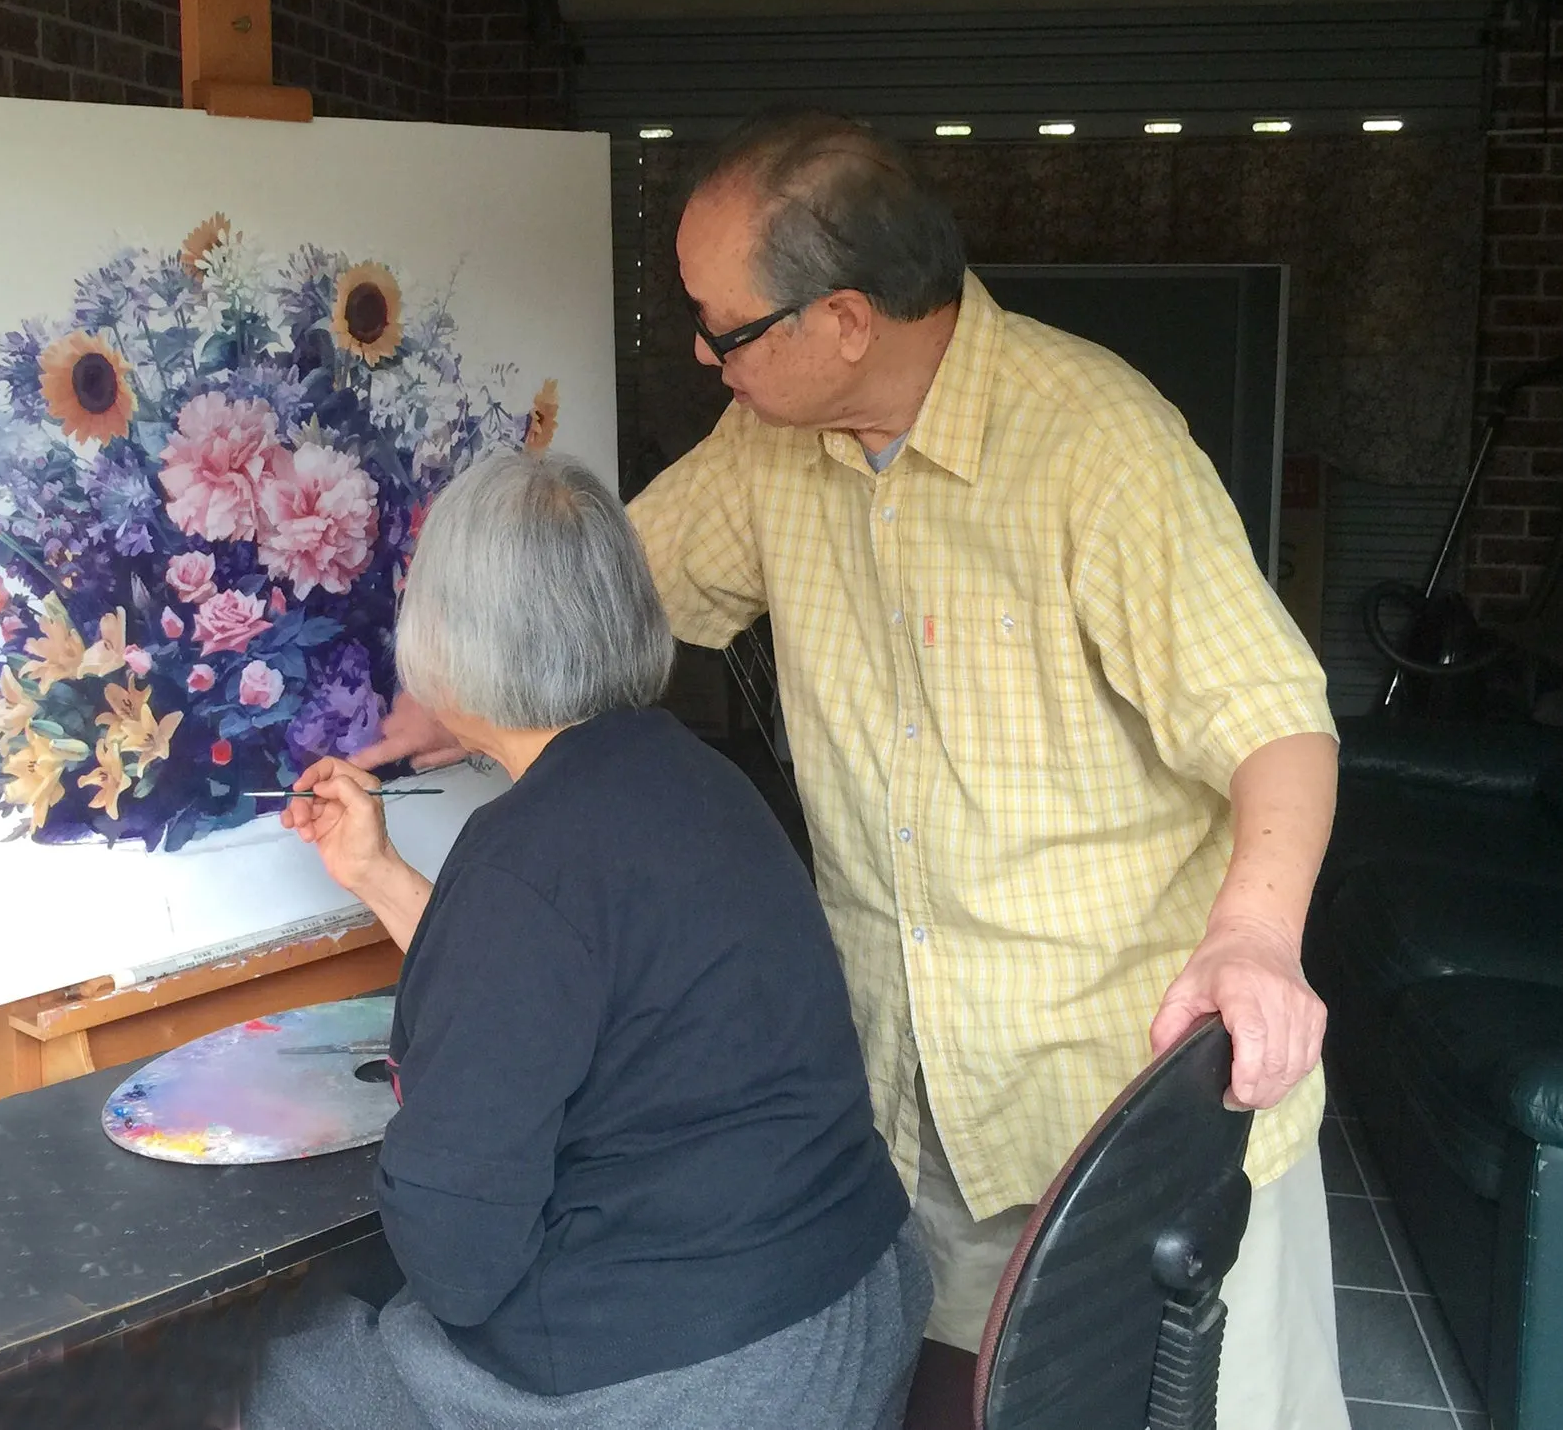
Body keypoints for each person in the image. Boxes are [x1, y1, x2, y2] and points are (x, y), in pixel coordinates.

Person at [362, 110, 1348, 1429]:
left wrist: (1255, 936)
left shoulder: (1098, 445)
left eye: (722, 328)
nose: (706, 359)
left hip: (1112, 1087)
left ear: (840, 319)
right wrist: (453, 690)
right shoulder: (773, 448)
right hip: (901, 1090)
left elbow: (1273, 711)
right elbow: (601, 593)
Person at [247, 452, 930, 1430]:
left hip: (703, 1378)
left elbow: (457, 1263)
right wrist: (376, 874)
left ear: (449, 638)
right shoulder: (704, 779)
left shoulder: (523, 859)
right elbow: (562, 977)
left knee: (279, 1372)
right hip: (853, 1305)